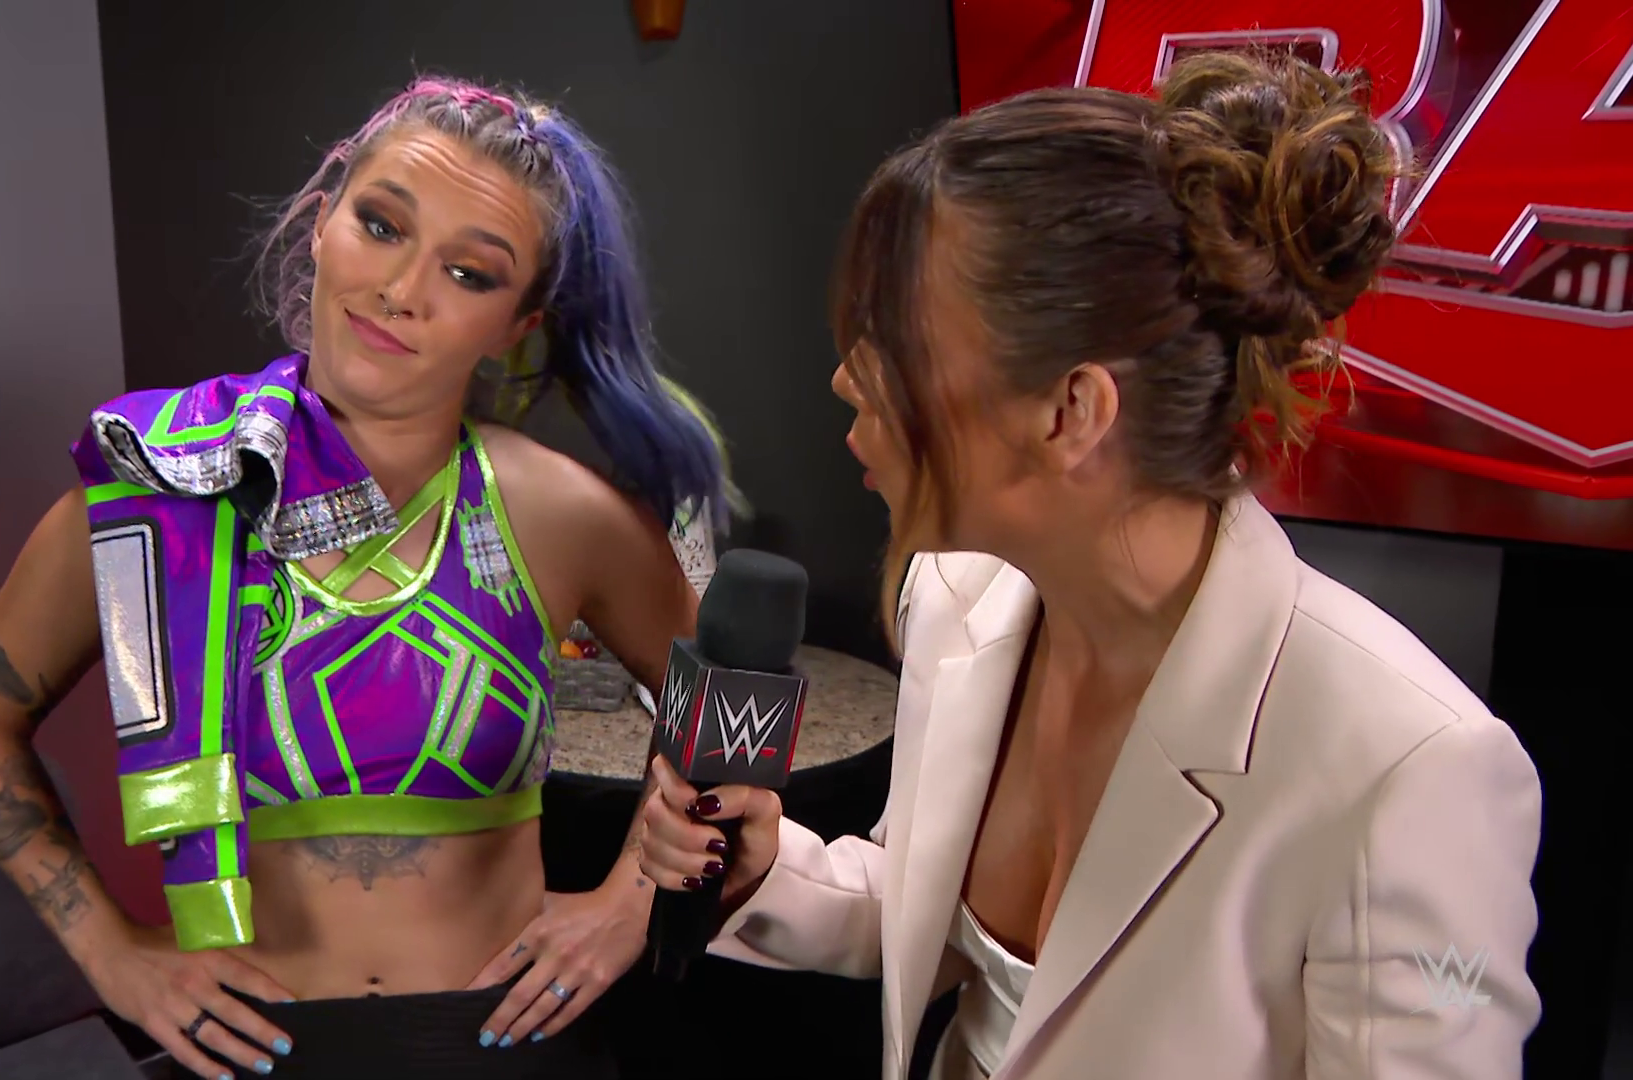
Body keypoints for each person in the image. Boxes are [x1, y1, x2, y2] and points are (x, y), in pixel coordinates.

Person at [635, 51, 1541, 1080]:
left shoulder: (1411, 772)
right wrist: (771, 872)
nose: (848, 378)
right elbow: (950, 920)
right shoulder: (960, 596)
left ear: (1072, 410)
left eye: (898, 342)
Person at [0, 76, 735, 1080]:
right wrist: (110, 951)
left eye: (470, 274)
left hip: (503, 1049)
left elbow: (731, 704)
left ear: (517, 323)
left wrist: (629, 903)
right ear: (320, 223)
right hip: (248, 1053)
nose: (402, 289)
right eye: (381, 225)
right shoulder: (161, 487)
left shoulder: (561, 514)